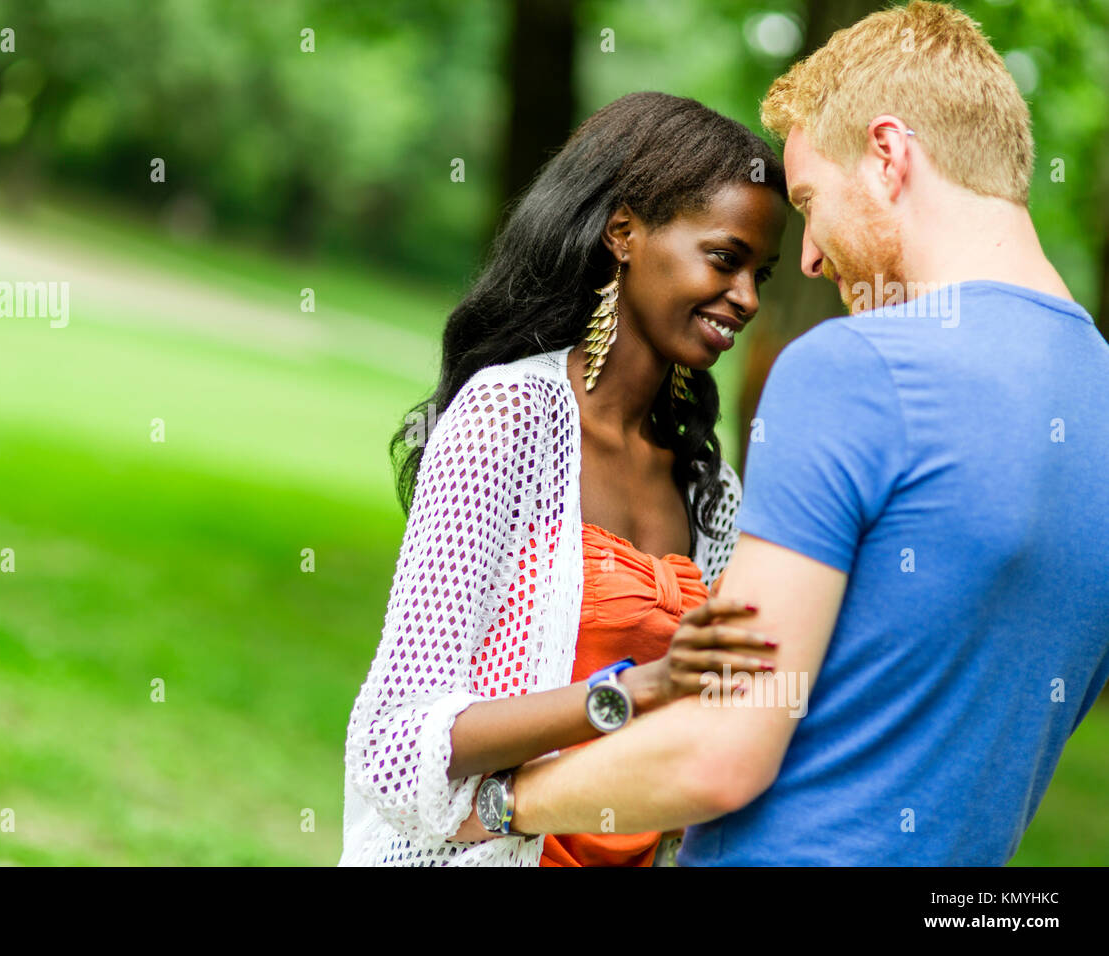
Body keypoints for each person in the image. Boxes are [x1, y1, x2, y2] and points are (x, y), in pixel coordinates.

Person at [476, 0, 1109, 865]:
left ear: (888, 157)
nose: (810, 257)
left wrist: (497, 801)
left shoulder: (855, 368)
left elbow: (722, 751)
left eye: (811, 201)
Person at [339, 92, 788, 866]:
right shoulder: (508, 418)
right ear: (624, 233)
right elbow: (393, 741)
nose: (746, 298)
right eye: (724, 258)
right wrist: (632, 690)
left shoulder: (712, 493)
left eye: (762, 273)